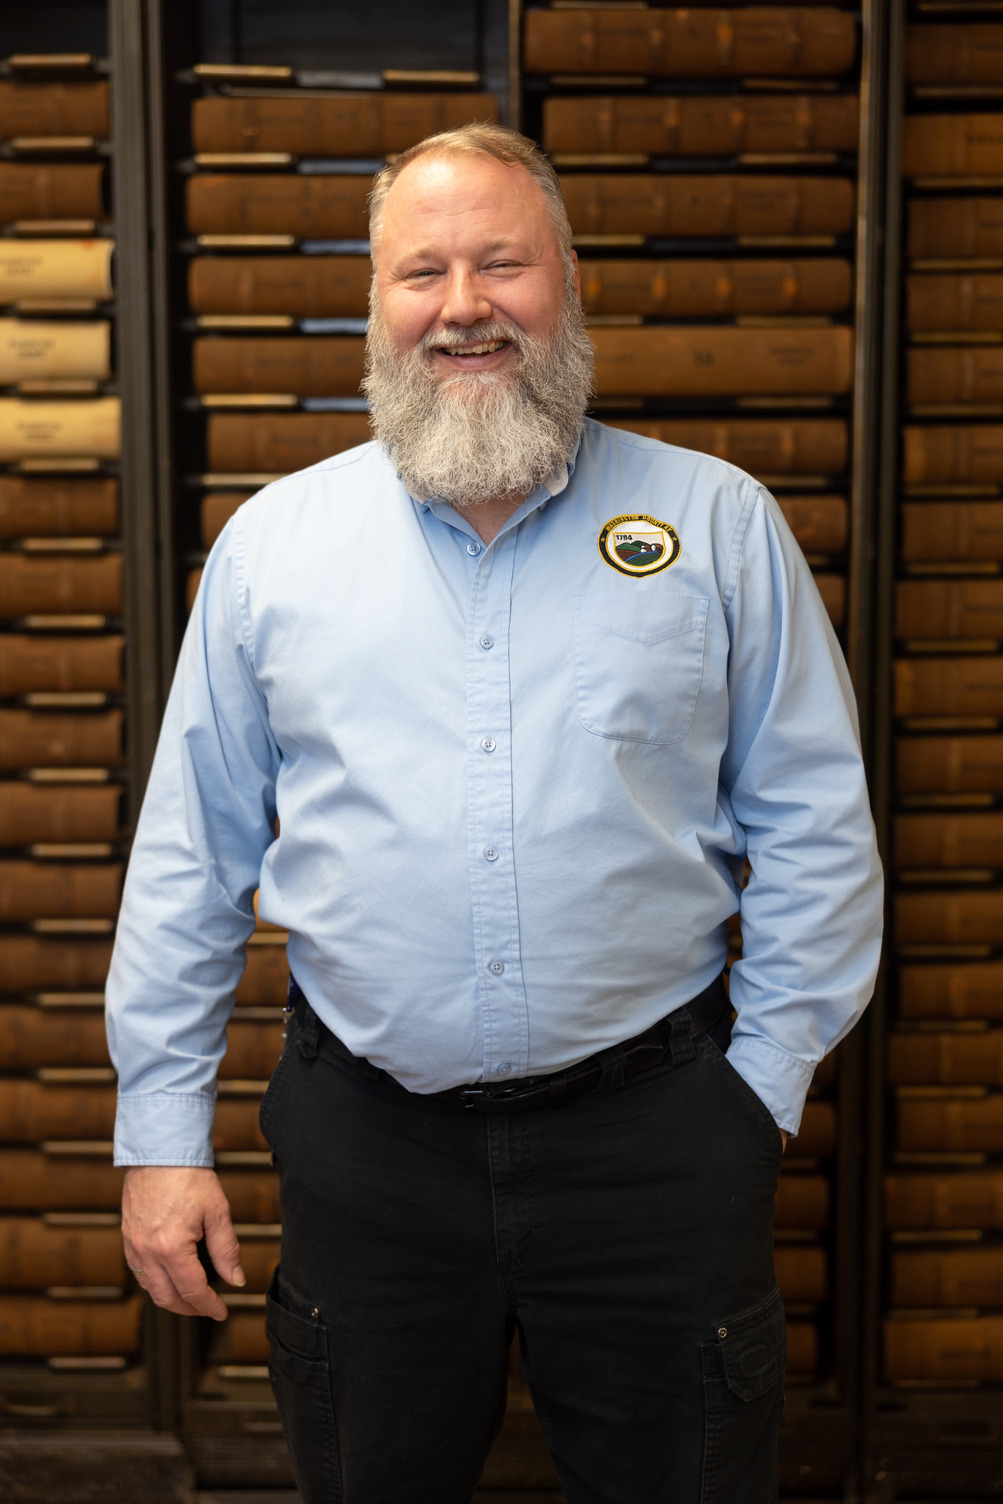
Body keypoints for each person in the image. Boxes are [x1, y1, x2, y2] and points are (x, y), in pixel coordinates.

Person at [106, 123, 882, 1504]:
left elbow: (818, 826)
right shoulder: (273, 550)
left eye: (501, 264)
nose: (462, 305)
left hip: (657, 1149)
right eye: (423, 272)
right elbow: (190, 859)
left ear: (566, 283)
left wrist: (758, 1089)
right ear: (377, 305)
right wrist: (162, 1135)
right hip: (368, 1157)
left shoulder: (717, 525)